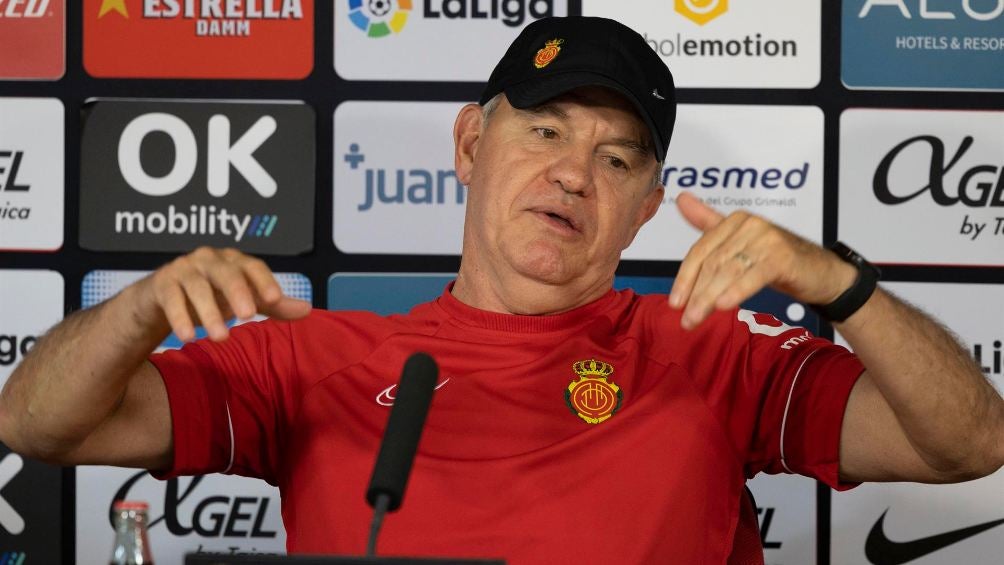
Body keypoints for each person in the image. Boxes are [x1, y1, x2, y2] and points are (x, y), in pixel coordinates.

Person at [1, 16, 1002, 565]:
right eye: (545, 129)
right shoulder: (312, 356)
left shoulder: (707, 346)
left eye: (616, 159)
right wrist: (138, 307)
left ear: (645, 209)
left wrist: (844, 287)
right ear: (471, 144)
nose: (573, 173)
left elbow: (966, 445)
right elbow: (38, 423)